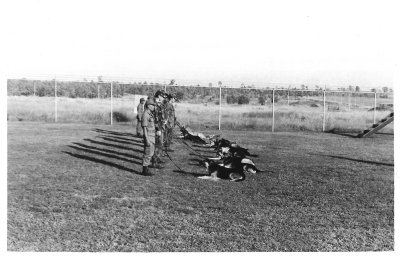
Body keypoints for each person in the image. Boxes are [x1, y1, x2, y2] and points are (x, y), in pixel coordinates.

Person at [141, 98, 156, 176]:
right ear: (148, 105)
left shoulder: (150, 114)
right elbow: (144, 128)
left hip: (152, 136)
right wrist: (146, 139)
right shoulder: (145, 114)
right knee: (147, 153)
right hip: (149, 137)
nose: (154, 106)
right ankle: (144, 170)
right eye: (152, 105)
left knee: (151, 153)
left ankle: (146, 168)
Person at [151, 90, 166, 168]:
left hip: (160, 127)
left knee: (159, 144)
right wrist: (158, 129)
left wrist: (163, 122)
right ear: (159, 96)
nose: (163, 98)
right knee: (157, 145)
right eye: (162, 96)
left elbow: (160, 117)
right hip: (157, 129)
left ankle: (157, 158)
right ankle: (154, 162)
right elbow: (155, 119)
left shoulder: (159, 105)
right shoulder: (155, 105)